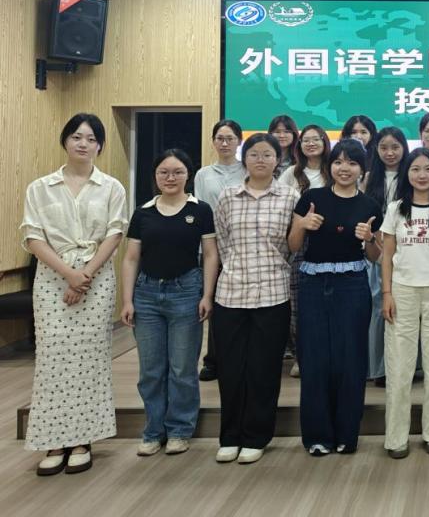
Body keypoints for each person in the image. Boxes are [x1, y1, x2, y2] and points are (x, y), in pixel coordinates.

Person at [21, 113, 127, 476]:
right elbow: (32, 236)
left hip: (96, 278)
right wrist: (68, 274)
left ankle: (83, 440)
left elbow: (115, 233)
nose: (83, 143)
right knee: (52, 359)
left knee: (89, 359)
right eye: (76, 137)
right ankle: (54, 440)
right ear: (65, 141)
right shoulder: (40, 187)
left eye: (91, 138)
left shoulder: (111, 187)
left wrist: (85, 275)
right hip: (53, 278)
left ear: (100, 146)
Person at [121, 149, 218, 456]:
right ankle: (153, 431)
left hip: (186, 292)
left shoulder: (200, 210)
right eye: (164, 172)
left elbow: (211, 255)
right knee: (151, 370)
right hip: (147, 295)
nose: (170, 177)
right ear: (155, 176)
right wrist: (127, 300)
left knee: (182, 368)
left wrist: (207, 295)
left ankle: (179, 430)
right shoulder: (143, 213)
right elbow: (131, 258)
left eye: (177, 172)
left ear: (188, 175)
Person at [288, 138, 381, 456]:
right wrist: (303, 224)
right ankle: (317, 436)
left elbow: (376, 256)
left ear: (362, 169)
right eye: (339, 162)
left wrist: (369, 239)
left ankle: (346, 435)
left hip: (353, 285)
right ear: (330, 166)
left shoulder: (369, 205)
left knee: (350, 360)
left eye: (352, 163)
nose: (345, 168)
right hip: (313, 283)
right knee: (314, 359)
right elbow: (293, 245)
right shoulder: (311, 198)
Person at [212, 133, 299, 465]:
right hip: (231, 293)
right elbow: (222, 243)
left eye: (267, 154)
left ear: (278, 160)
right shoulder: (227, 196)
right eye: (254, 154)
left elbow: (293, 245)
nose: (260, 160)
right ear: (244, 158)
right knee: (231, 369)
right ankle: (230, 436)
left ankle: (256, 436)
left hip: (273, 293)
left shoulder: (290, 197)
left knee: (264, 369)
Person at [380, 147, 429, 459]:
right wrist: (387, 293)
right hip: (402, 291)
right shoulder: (396, 209)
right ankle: (396, 438)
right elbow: (387, 254)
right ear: (407, 173)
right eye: (415, 169)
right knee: (399, 368)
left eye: (428, 169)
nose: (422, 175)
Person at [194, 119, 246, 382]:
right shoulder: (203, 174)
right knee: (214, 303)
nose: (225, 143)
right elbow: (200, 211)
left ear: (239, 141)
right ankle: (212, 360)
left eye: (230, 138)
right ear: (213, 141)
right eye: (220, 138)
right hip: (211, 245)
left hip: (241, 245)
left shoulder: (248, 169)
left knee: (240, 306)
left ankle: (239, 358)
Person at [278, 124, 332, 377]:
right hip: (300, 241)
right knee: (299, 306)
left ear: (324, 142)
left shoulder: (333, 169)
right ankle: (301, 357)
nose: (311, 143)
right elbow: (280, 204)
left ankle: (326, 355)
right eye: (306, 140)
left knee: (327, 304)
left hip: (330, 239)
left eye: (316, 139)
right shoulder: (291, 173)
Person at [363, 127, 409, 388]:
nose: (390, 153)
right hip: (375, 250)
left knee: (403, 308)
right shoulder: (369, 178)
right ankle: (378, 367)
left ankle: (404, 366)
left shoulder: (412, 174)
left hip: (406, 250)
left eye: (395, 147)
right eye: (383, 148)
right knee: (378, 307)